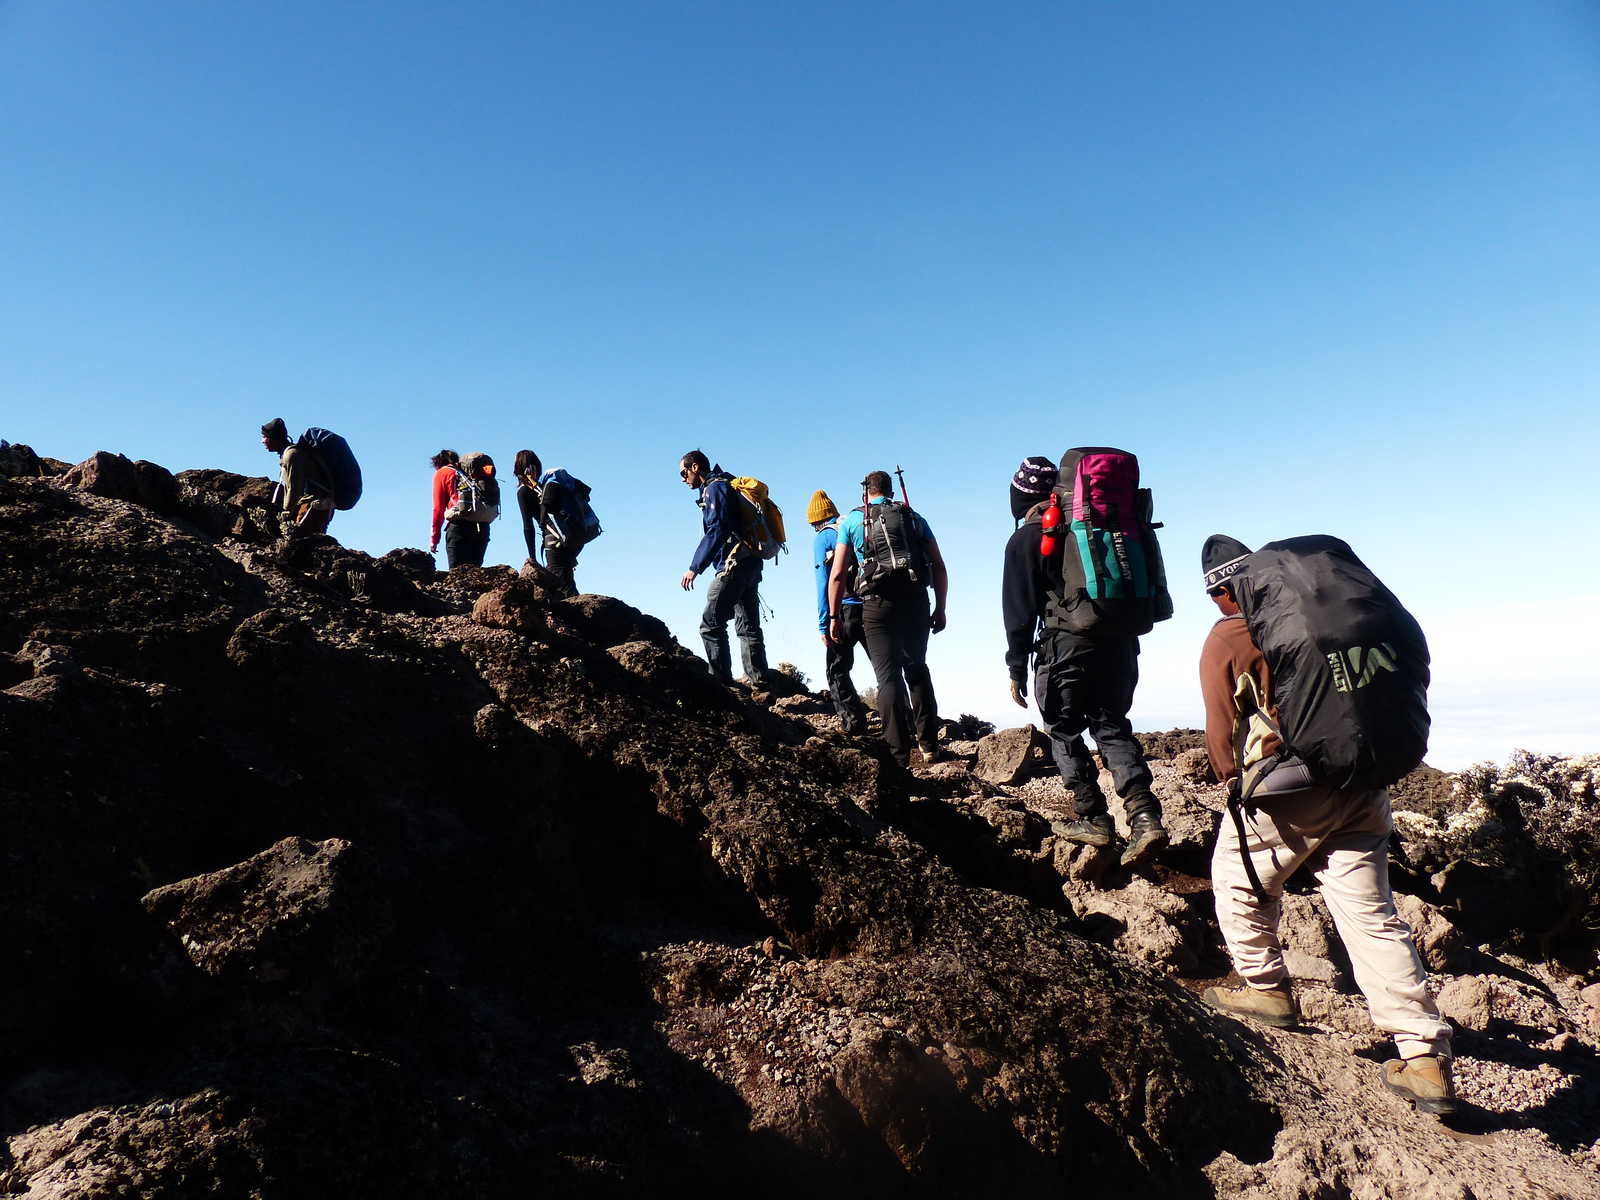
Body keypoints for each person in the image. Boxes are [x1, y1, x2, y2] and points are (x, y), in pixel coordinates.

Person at [1197, 534, 1455, 1115]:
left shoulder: (1229, 637)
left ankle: (1267, 991)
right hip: (1365, 782)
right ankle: (1422, 1056)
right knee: (1372, 916)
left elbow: (1220, 735)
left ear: (1222, 590)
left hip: (1294, 790)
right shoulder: (1325, 615)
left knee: (1237, 877)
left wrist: (1233, 781)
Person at [1002, 455, 1169, 867]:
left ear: (1019, 496)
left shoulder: (1032, 535)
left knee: (1063, 729)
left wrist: (1016, 667)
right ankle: (1145, 817)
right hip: (1120, 639)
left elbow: (1018, 610)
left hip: (1066, 646)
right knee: (1112, 726)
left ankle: (1092, 815)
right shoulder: (1101, 526)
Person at [826, 470, 947, 767]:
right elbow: (939, 566)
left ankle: (899, 754)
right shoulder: (914, 517)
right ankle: (929, 745)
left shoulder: (854, 521)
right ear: (891, 490)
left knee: (887, 676)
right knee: (916, 669)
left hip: (876, 605)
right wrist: (941, 608)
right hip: (916, 601)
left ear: (865, 492)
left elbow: (838, 574)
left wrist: (833, 616)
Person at [679, 450, 770, 686]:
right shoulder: (725, 484)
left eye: (683, 472)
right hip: (750, 562)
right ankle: (760, 683)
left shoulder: (715, 488)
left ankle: (721, 684)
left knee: (711, 623)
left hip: (734, 564)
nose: (682, 478)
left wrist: (695, 567)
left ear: (695, 467)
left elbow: (718, 529)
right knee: (748, 625)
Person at [809, 489, 869, 735]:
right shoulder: (855, 529)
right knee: (885, 670)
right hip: (871, 606)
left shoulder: (824, 538)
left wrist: (824, 623)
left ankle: (854, 724)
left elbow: (824, 581)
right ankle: (903, 724)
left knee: (836, 669)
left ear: (815, 520)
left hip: (843, 610)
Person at [515, 449, 591, 596]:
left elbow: (528, 527)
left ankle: (581, 618)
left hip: (555, 541)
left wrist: (533, 558)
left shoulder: (524, 491)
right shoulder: (550, 484)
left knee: (562, 589)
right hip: (573, 537)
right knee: (566, 580)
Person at [260, 418, 334, 534]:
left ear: (274, 438)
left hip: (314, 504)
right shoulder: (290, 453)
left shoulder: (292, 455)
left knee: (305, 541)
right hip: (317, 504)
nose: (262, 441)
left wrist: (286, 512)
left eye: (265, 437)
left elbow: (294, 488)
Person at [428, 449, 459, 559]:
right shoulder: (465, 473)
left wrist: (434, 539)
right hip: (481, 527)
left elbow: (438, 509)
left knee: (458, 573)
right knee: (475, 572)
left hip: (458, 527)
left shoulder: (442, 473)